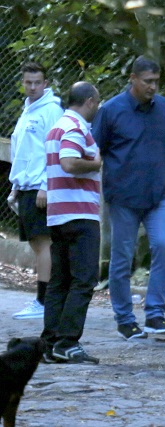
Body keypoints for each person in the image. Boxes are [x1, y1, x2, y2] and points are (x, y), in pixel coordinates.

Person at [92, 56, 165, 340]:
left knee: (164, 246)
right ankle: (125, 318)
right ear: (133, 79)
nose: (153, 87)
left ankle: (155, 313)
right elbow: (97, 152)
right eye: (148, 81)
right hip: (123, 195)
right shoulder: (112, 110)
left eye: (157, 81)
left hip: (158, 193)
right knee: (122, 258)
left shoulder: (164, 107)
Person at [41, 82, 102, 363]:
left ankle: (50, 341)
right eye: (97, 103)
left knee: (59, 281)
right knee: (83, 279)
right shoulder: (76, 128)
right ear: (89, 101)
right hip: (80, 213)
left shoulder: (56, 127)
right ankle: (67, 342)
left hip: (58, 213)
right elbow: (69, 162)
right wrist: (96, 163)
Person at [8, 61, 63, 320]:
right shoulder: (28, 110)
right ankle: (45, 301)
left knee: (44, 245)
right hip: (26, 186)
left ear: (46, 83)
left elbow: (54, 151)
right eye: (28, 82)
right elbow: (23, 152)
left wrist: (45, 186)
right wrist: (16, 186)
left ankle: (44, 303)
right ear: (22, 82)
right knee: (36, 243)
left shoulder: (51, 110)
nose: (32, 87)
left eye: (37, 82)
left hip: (41, 188)